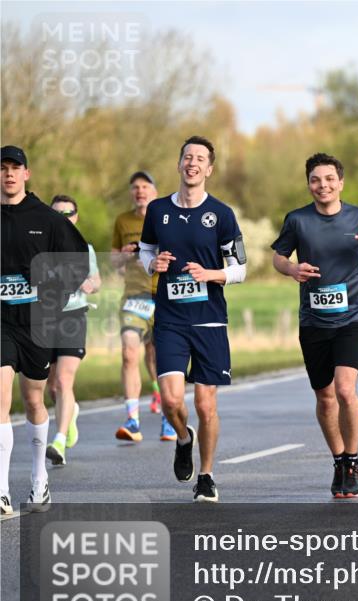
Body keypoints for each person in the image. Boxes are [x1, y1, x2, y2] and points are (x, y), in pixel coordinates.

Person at [271, 153, 358, 499]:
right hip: (313, 321)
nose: (323, 185)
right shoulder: (297, 220)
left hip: (352, 318)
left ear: (341, 182)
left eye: (329, 179)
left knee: (345, 389)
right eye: (316, 179)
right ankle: (339, 461)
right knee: (325, 397)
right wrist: (292, 270)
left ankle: (354, 460)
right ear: (308, 183)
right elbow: (278, 257)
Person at [139, 136, 246, 502]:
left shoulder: (222, 214)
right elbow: (146, 249)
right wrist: (152, 264)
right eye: (188, 157)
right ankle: (184, 439)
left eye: (200, 158)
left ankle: (206, 475)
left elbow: (241, 269)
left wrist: (212, 274)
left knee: (205, 405)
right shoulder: (157, 211)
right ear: (179, 163)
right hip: (169, 319)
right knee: (170, 400)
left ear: (209, 169)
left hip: (209, 321)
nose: (193, 163)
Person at [1, 145, 89, 513]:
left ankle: (39, 479)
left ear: (27, 174)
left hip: (37, 322)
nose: (8, 174)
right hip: (1, 321)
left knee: (35, 400)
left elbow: (78, 262)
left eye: (14, 168)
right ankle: (2, 489)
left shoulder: (47, 219)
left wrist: (53, 293)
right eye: (2, 168)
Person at [111, 171, 176, 443]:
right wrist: (123, 256)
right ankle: (132, 420)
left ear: (154, 190)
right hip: (135, 297)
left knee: (160, 358)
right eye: (135, 187)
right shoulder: (122, 220)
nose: (139, 191)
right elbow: (113, 261)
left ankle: (169, 418)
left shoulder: (167, 216)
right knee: (129, 352)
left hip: (163, 296)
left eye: (145, 186)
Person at [45, 195, 102, 466]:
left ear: (76, 217)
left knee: (63, 381)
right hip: (45, 319)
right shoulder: (40, 248)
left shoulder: (84, 249)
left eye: (68, 213)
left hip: (74, 318)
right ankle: (72, 413)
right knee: (51, 387)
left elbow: (97, 281)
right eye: (58, 213)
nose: (64, 217)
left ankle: (58, 441)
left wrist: (89, 283)